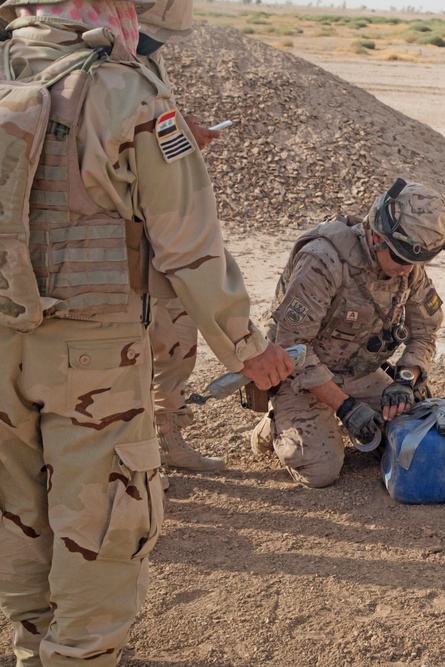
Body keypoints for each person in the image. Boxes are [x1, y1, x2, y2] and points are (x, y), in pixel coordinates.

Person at [0, 0, 295, 663]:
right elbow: (189, 246)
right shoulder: (125, 88)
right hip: (92, 356)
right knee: (100, 525)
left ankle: (32, 646)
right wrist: (249, 348)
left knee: (20, 515)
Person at [251, 178, 445, 489]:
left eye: (420, 261)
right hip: (301, 376)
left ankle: (326, 414)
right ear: (377, 235)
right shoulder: (324, 259)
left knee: (416, 438)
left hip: (358, 371)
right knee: (322, 471)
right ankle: (274, 424)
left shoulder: (408, 265)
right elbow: (292, 347)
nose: (408, 269)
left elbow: (426, 330)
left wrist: (405, 380)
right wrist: (346, 407)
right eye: (402, 259)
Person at [137, 0, 228, 473]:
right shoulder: (86, 68)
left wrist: (181, 132)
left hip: (157, 230)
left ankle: (166, 441)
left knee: (173, 333)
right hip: (111, 243)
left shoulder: (141, 60)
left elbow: (153, 131)